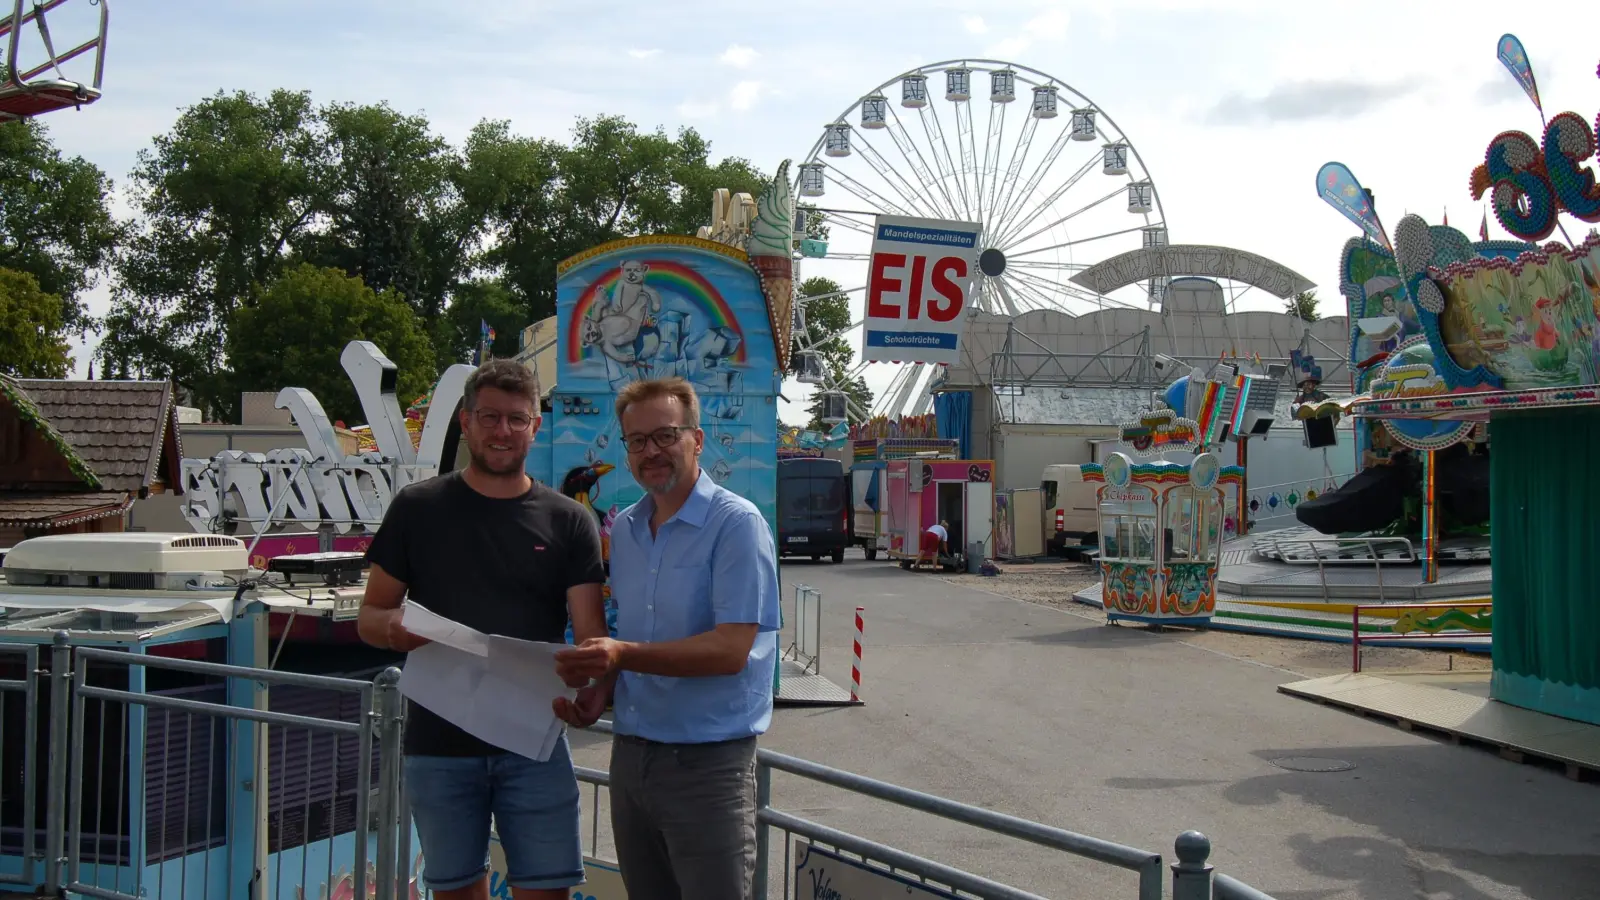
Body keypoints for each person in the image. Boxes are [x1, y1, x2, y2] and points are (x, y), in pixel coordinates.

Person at [356, 359, 609, 900]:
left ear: (535, 426)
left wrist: (593, 684)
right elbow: (371, 618)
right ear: (465, 423)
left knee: (547, 893)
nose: (502, 432)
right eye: (489, 417)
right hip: (439, 745)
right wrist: (398, 630)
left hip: (534, 743)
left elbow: (589, 636)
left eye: (517, 419)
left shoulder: (569, 520)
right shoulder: (416, 508)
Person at [552, 376, 781, 900]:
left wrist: (621, 654)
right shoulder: (627, 532)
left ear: (696, 440)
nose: (651, 451)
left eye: (665, 436)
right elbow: (633, 637)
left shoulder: (736, 526)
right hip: (632, 757)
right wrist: (601, 691)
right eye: (637, 441)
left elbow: (730, 650)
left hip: (707, 764)